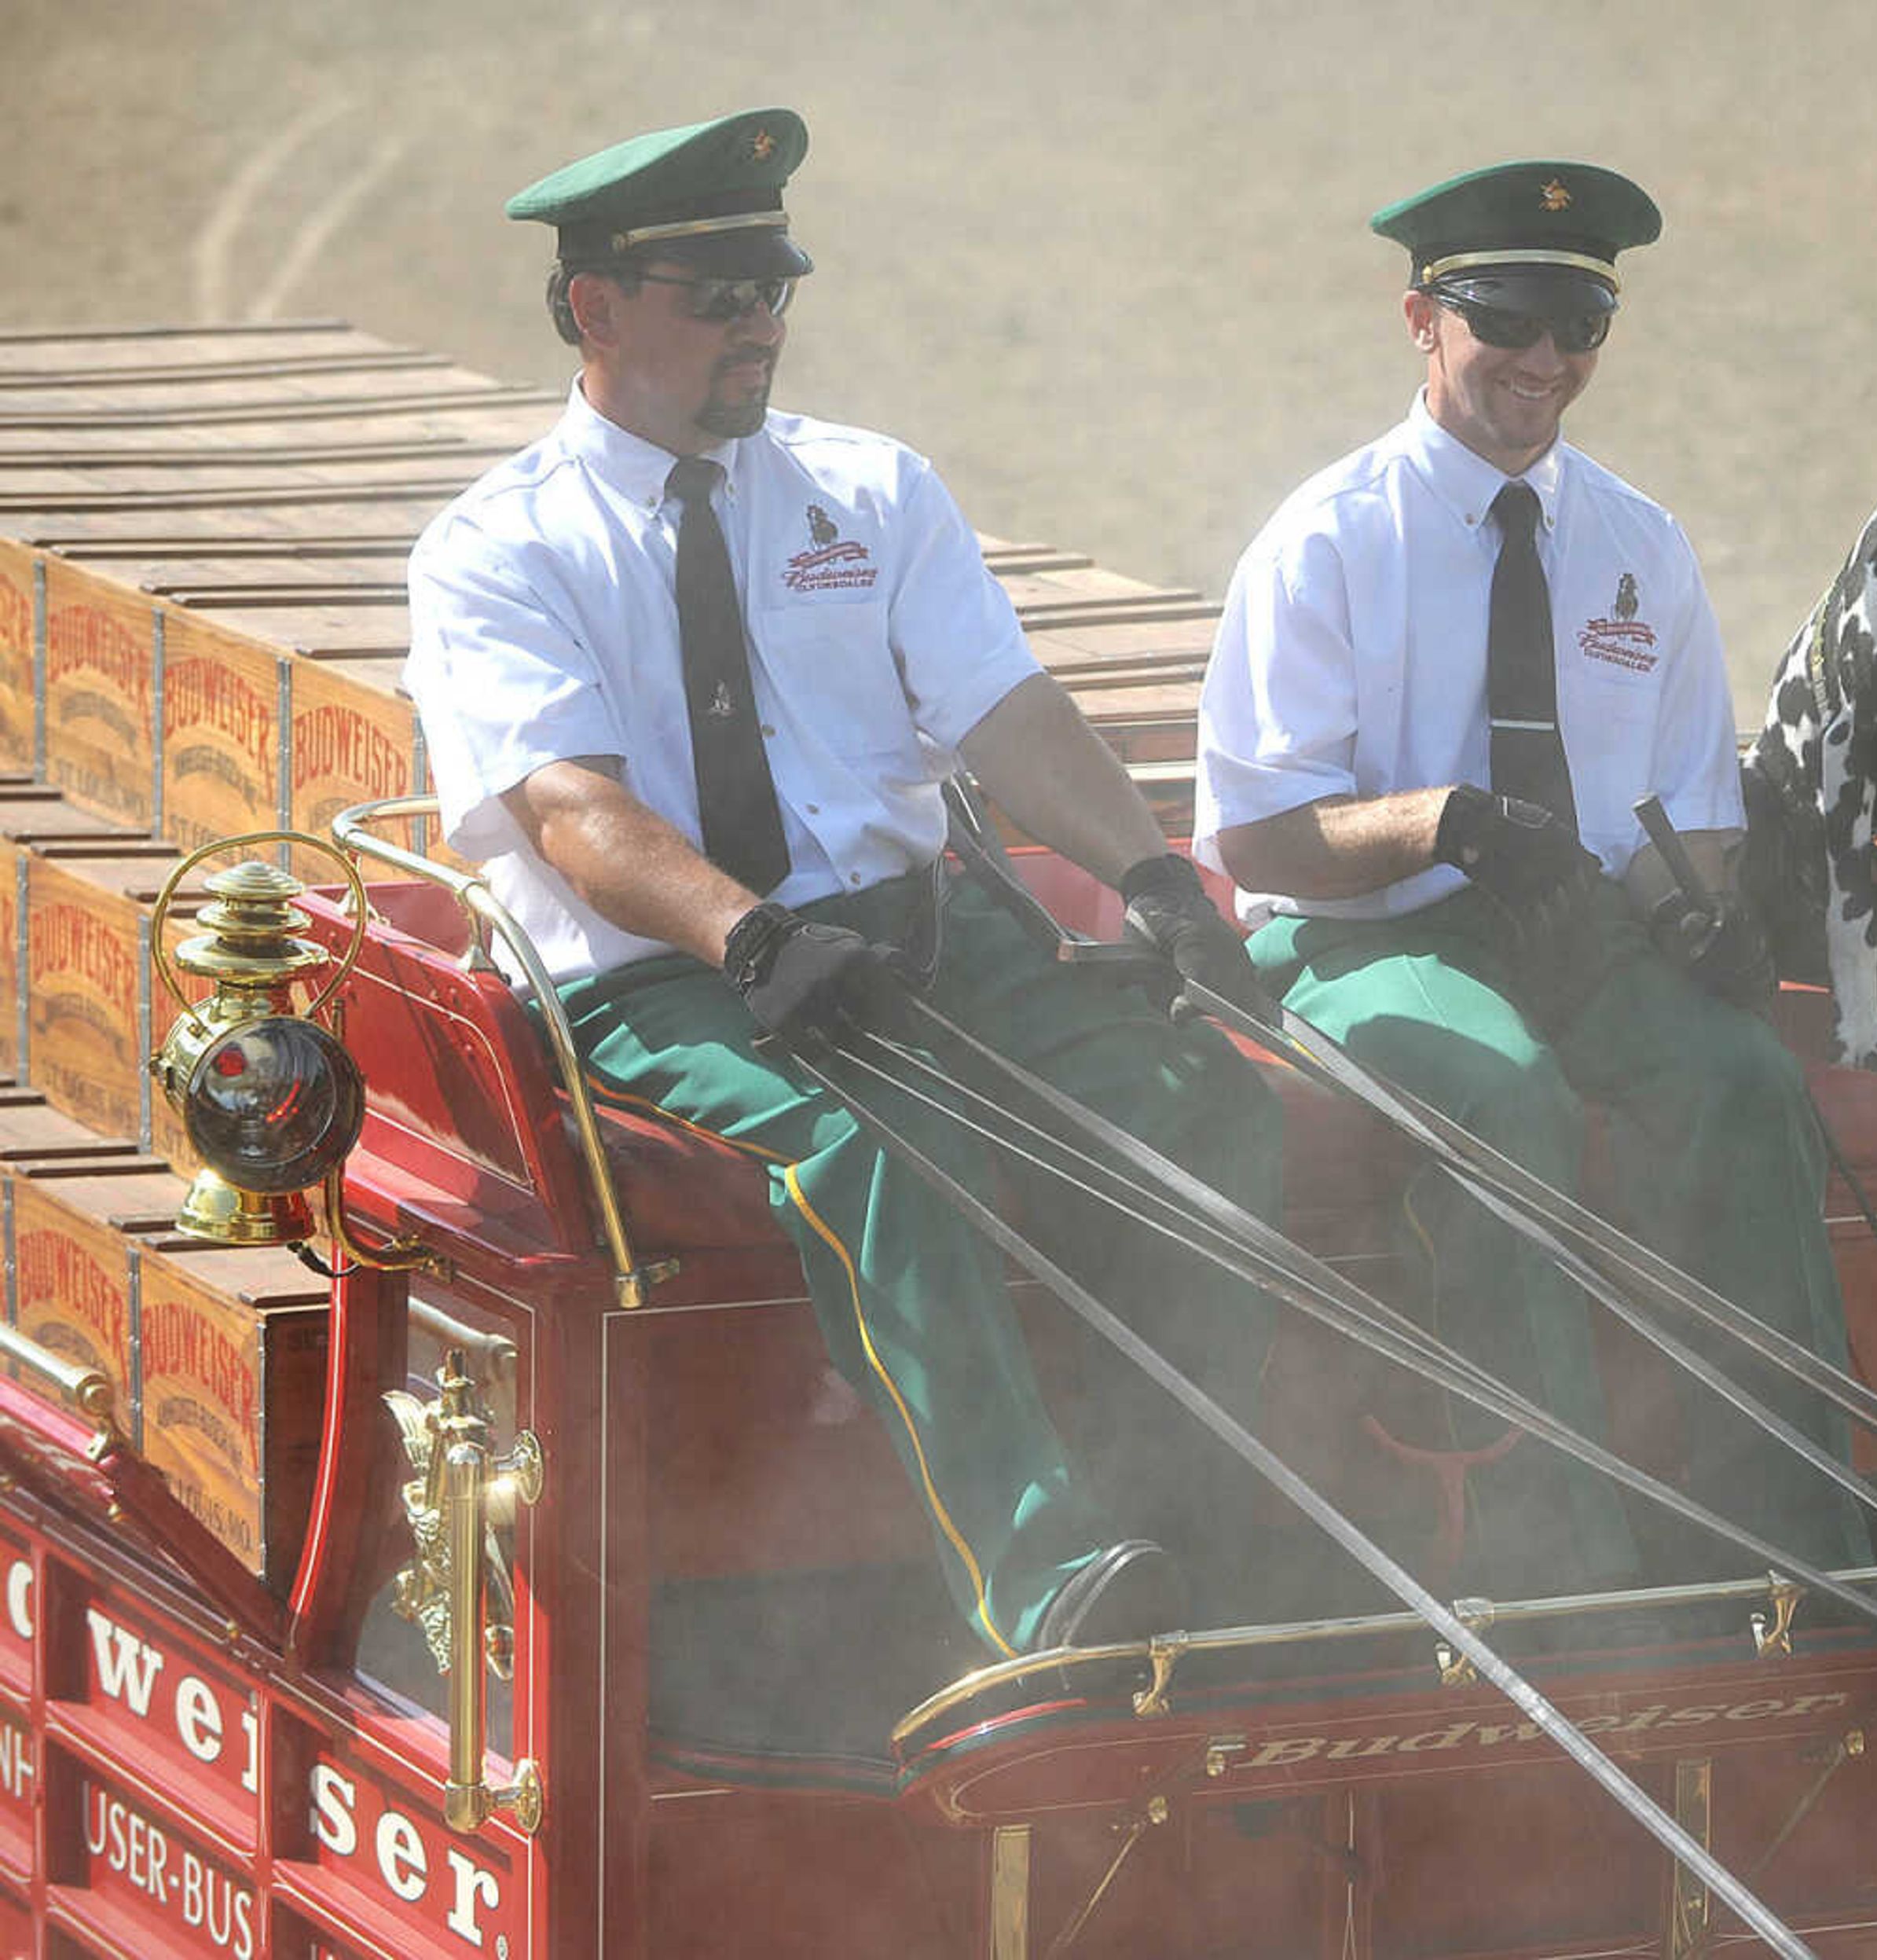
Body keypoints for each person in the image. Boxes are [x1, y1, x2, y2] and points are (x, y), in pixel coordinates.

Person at [406, 108, 1279, 1658]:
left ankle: (1220, 1527)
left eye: (776, 288)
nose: (759, 325)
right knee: (887, 1144)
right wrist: (750, 937)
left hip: (918, 941)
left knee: (1199, 1104)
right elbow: (568, 805)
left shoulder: (872, 490)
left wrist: (1154, 876)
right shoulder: (498, 548)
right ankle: (1043, 1581)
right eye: (716, 294)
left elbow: (1007, 713)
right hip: (665, 973)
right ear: (591, 305)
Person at [1194, 161, 1872, 1592]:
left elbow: (1687, 819)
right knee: (1506, 1096)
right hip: (1357, 943)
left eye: (1581, 322)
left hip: (1580, 936)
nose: (1547, 361)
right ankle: (1568, 1574)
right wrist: (1443, 824)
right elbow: (1256, 843)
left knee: (1744, 1083)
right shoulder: (1326, 539)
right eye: (1508, 316)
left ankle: (1800, 1550)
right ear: (1420, 320)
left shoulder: (1640, 546)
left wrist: (1708, 926)